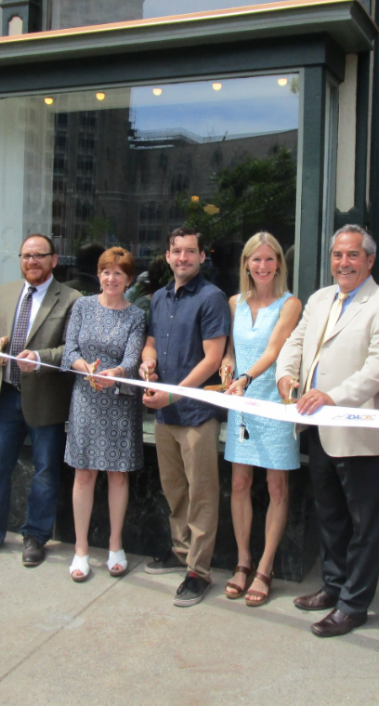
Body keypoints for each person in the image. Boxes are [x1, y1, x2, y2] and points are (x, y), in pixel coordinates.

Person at [276, 224, 379, 638]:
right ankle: (333, 586)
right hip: (318, 426)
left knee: (364, 522)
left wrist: (331, 396)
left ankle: (355, 604)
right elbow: (297, 342)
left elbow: (378, 368)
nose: (343, 263)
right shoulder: (319, 298)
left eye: (353, 255)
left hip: (358, 430)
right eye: (338, 255)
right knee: (330, 514)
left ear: (370, 260)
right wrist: (285, 374)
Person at [0, 234, 82, 566]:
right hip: (5, 398)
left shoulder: (71, 298)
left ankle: (35, 537)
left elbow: (72, 350)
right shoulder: (5, 292)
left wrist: (41, 357)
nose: (32, 261)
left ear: (53, 260)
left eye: (39, 256)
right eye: (26, 256)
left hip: (46, 401)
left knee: (45, 472)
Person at [139, 227, 230, 607]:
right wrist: (148, 363)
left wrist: (173, 392)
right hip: (164, 415)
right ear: (167, 255)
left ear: (202, 256)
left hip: (194, 413)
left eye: (190, 252)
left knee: (202, 495)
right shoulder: (159, 298)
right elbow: (151, 342)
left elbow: (213, 358)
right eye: (177, 251)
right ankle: (181, 552)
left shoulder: (212, 298)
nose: (183, 258)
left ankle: (199, 571)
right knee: (175, 490)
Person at [221, 232, 302, 606]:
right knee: (239, 482)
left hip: (274, 402)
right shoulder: (234, 302)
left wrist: (246, 378)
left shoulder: (290, 304)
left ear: (279, 265)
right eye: (256, 260)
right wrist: (227, 370)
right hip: (241, 401)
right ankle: (242, 562)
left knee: (277, 488)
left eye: (270, 260)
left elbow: (274, 349)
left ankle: (265, 567)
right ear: (246, 265)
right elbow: (231, 352)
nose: (263, 267)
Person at [62, 247, 146, 582]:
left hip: (119, 399)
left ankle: (115, 545)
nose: (111, 278)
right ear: (98, 275)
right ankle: (81, 549)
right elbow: (70, 350)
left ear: (128, 280)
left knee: (118, 475)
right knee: (83, 474)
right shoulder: (81, 306)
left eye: (119, 273)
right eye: (106, 271)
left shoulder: (136, 315)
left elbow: (132, 359)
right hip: (85, 398)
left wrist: (112, 373)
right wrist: (86, 369)